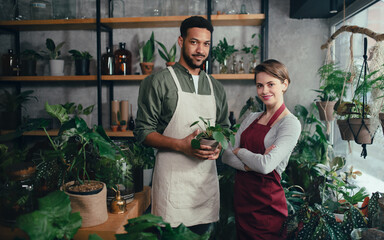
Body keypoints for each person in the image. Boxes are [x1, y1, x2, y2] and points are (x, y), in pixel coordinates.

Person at [134, 16, 230, 235]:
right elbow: (142, 132)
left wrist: (218, 147)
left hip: (204, 188)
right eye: (194, 42)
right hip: (171, 188)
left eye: (206, 43)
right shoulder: (158, 82)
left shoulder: (216, 87)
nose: (200, 50)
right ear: (180, 41)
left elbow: (223, 128)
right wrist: (181, 145)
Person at [222, 59, 301, 240]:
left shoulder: (290, 124)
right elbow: (225, 155)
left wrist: (239, 151)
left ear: (284, 84)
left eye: (270, 84)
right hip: (243, 203)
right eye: (259, 85)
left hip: (268, 209)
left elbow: (266, 166)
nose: (264, 91)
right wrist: (250, 163)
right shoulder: (251, 118)